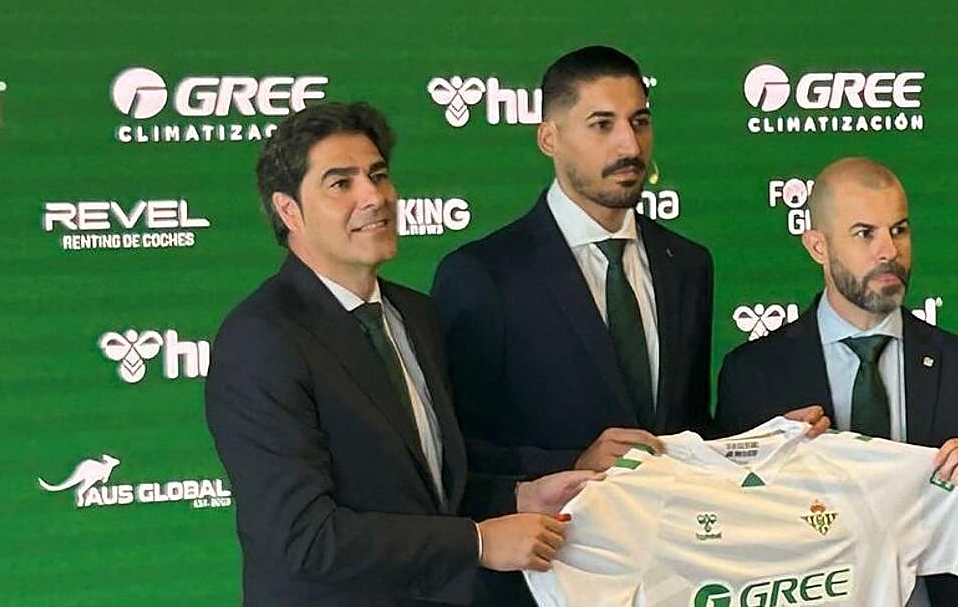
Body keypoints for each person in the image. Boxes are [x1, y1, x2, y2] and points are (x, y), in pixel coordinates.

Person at [432, 46, 827, 605]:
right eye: (602, 125)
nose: (629, 145)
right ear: (549, 138)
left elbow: (684, 433)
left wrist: (765, 444)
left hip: (674, 577)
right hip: (542, 581)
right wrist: (573, 462)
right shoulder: (483, 275)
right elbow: (451, 457)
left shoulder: (687, 265)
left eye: (640, 121)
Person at [205, 102, 590, 607]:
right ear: (288, 210)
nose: (374, 197)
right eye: (341, 184)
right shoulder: (262, 338)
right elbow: (302, 537)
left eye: (378, 175)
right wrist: (477, 542)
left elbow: (421, 487)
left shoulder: (416, 315)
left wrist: (522, 496)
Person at [716, 157, 958, 607]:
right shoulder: (754, 373)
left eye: (899, 230)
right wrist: (768, 459)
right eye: (865, 233)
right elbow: (725, 528)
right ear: (817, 246)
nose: (888, 251)